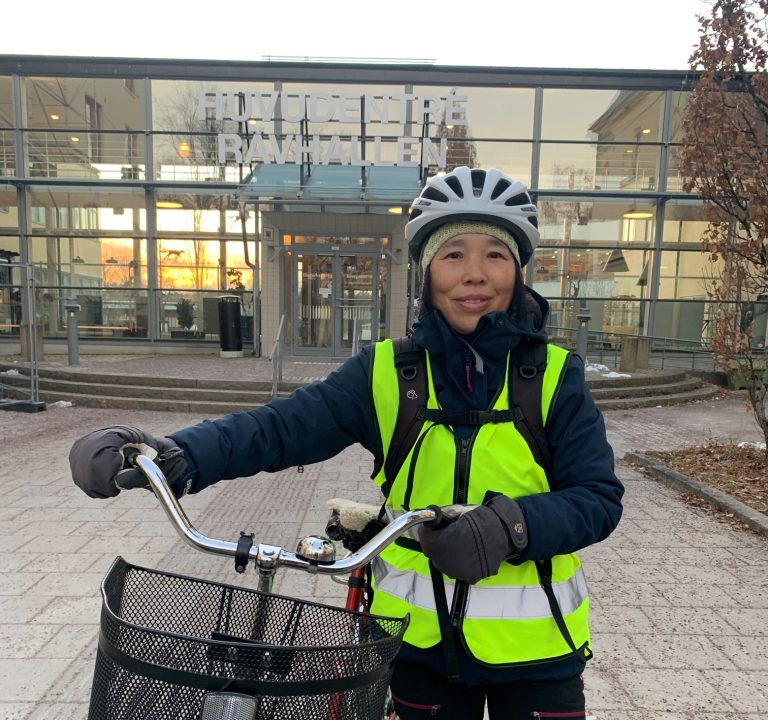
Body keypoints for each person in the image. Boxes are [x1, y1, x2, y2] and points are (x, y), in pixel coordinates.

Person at [70, 166, 623, 720]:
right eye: (453, 254)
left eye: (496, 256)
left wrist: (510, 527)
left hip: (540, 652)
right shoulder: (387, 373)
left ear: (519, 271)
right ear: (426, 272)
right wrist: (179, 455)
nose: (475, 274)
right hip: (415, 646)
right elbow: (283, 426)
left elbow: (597, 497)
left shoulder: (553, 377)